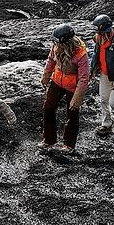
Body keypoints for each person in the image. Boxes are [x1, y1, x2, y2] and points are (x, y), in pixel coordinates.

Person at [40, 23, 90, 151]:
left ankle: (69, 145)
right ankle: (49, 140)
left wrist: (77, 99)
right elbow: (50, 60)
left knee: (72, 113)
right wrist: (46, 77)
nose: (55, 45)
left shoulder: (81, 54)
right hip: (57, 82)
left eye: (58, 43)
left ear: (66, 43)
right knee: (48, 108)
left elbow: (84, 78)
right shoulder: (56, 46)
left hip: (73, 87)